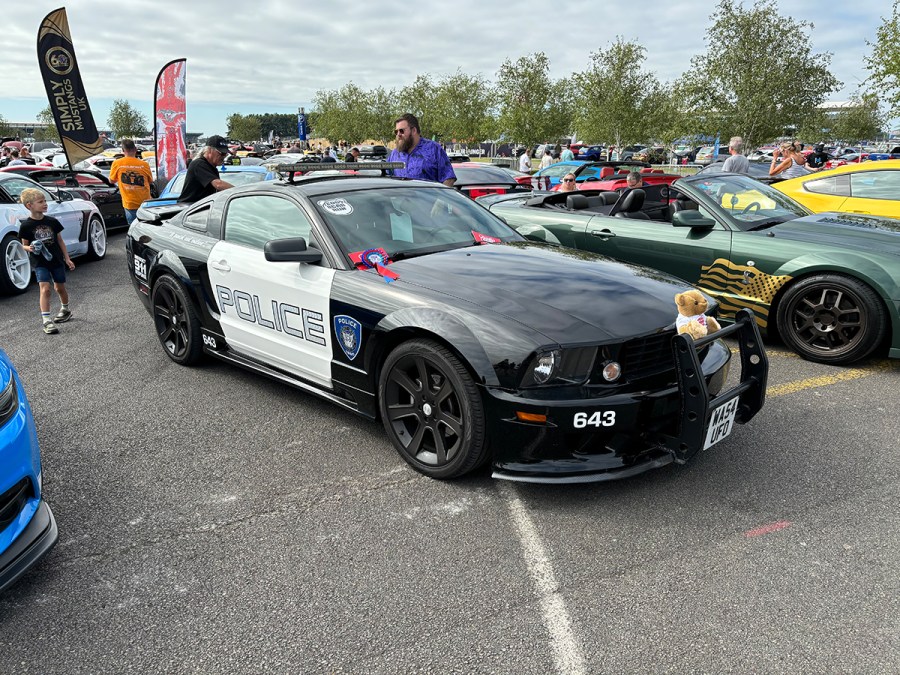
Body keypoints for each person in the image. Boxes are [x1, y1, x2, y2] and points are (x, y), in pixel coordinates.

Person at [18, 187, 76, 334]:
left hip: (56, 260)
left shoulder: (52, 221)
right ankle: (47, 321)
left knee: (59, 288)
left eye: (45, 201)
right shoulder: (26, 225)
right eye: (40, 202)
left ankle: (65, 309)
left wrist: (67, 258)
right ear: (29, 205)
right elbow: (23, 245)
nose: (45, 204)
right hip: (40, 262)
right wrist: (29, 248)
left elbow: (60, 241)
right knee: (45, 289)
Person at [387, 113, 456, 186]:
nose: (398, 134)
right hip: (401, 197)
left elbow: (449, 178)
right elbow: (386, 177)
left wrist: (440, 196)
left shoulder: (434, 149)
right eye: (396, 132)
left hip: (428, 196)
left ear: (413, 130)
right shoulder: (394, 154)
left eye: (401, 131)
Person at [109, 139, 154, 225]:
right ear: (135, 149)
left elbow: (111, 180)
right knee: (146, 227)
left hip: (129, 203)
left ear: (123, 150)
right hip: (145, 203)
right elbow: (150, 180)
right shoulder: (144, 164)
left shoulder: (117, 163)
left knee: (133, 229)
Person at [180, 135, 235, 203]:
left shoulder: (212, 168)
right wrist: (238, 191)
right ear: (209, 150)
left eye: (225, 154)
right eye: (221, 153)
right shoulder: (199, 164)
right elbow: (218, 184)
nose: (223, 156)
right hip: (189, 209)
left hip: (201, 208)